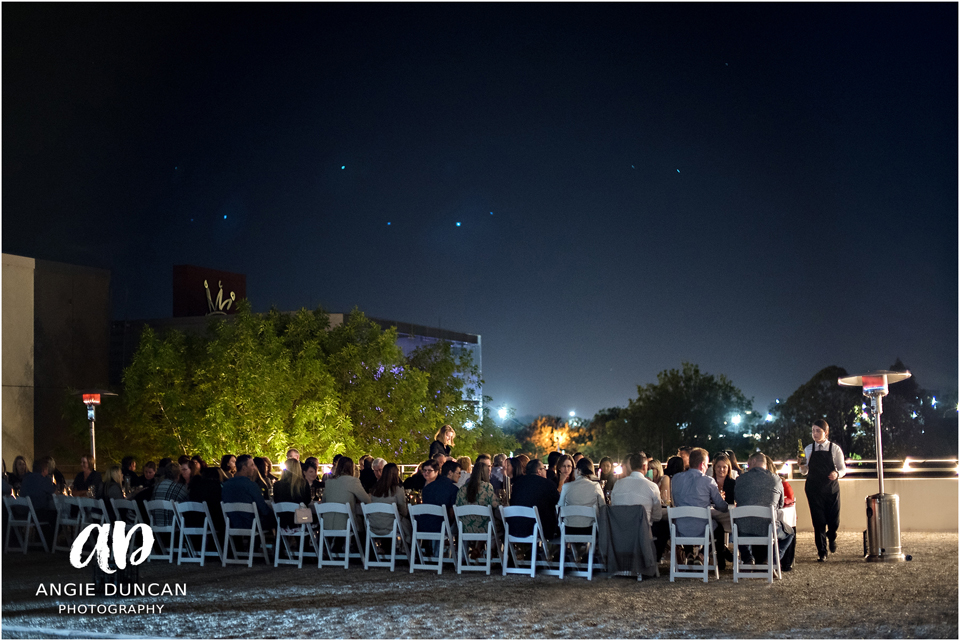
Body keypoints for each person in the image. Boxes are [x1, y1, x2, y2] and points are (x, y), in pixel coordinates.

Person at [734, 451, 796, 571]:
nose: (747, 467)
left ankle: (748, 559)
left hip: (743, 530)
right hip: (768, 528)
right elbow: (780, 504)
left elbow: (737, 499)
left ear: (753, 462)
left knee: (739, 525)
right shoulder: (776, 479)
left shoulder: (740, 480)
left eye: (748, 464)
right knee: (790, 533)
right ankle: (771, 561)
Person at [671, 448, 730, 568]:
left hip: (680, 529)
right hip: (702, 530)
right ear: (702, 464)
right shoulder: (708, 481)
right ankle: (701, 556)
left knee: (688, 519)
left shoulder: (676, 479)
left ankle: (689, 554)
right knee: (718, 530)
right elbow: (722, 507)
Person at [799, 418, 846, 562]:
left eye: (818, 431)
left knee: (834, 520)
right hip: (813, 489)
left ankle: (832, 536)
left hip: (831, 488)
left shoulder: (834, 449)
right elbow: (804, 471)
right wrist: (801, 466)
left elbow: (842, 468)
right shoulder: (808, 449)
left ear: (825, 432)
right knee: (818, 521)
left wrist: (837, 474)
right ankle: (822, 551)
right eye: (813, 430)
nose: (815, 433)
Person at [508, 459, 560, 540]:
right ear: (539, 471)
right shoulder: (548, 484)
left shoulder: (517, 483)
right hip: (538, 530)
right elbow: (558, 504)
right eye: (544, 469)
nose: (546, 471)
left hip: (515, 529)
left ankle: (530, 550)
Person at [221, 455, 275, 531]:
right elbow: (263, 509)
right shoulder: (251, 485)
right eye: (252, 465)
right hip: (252, 525)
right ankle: (279, 542)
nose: (254, 468)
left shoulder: (225, 486)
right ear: (244, 468)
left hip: (232, 524)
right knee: (278, 519)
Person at [455, 456, 501, 538]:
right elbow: (496, 505)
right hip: (484, 529)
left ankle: (477, 548)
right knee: (501, 525)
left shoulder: (463, 489)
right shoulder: (487, 487)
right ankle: (495, 550)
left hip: (465, 528)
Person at [321, 456, 370, 531]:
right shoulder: (353, 481)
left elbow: (323, 501)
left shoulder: (329, 483)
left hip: (327, 525)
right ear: (352, 468)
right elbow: (367, 500)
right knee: (362, 522)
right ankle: (361, 542)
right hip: (346, 525)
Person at [558, 457, 605, 534]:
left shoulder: (566, 486)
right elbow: (603, 507)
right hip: (589, 530)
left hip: (569, 529)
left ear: (578, 471)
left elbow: (560, 506)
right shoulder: (596, 486)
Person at [368, 463, 412, 542]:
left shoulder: (374, 489)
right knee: (409, 522)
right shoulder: (397, 489)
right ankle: (408, 546)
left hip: (373, 525)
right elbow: (404, 511)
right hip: (391, 526)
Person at [420, 459, 460, 533]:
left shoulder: (427, 488)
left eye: (429, 470)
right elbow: (452, 514)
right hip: (442, 527)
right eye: (424, 470)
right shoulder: (453, 488)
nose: (426, 473)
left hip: (423, 525)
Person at [273, 458, 311, 529]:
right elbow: (307, 501)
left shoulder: (277, 485)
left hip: (283, 522)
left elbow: (276, 500)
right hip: (300, 521)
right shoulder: (303, 484)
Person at [150, 462, 189, 527]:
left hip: (156, 525)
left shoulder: (157, 487)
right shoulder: (179, 488)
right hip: (173, 525)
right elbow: (188, 503)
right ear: (178, 474)